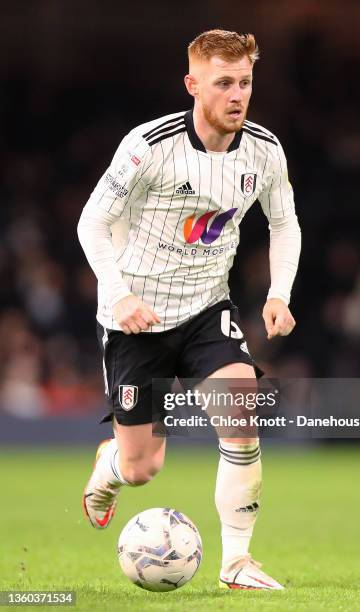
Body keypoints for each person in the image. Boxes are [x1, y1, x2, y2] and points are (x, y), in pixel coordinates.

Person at [77, 29, 301, 591]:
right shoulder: (148, 146)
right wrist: (118, 292)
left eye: (245, 82)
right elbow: (92, 222)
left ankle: (237, 564)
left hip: (206, 309)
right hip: (137, 320)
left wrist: (280, 293)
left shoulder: (264, 151)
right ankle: (110, 466)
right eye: (224, 82)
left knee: (241, 411)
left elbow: (284, 223)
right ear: (192, 84)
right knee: (142, 469)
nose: (237, 95)